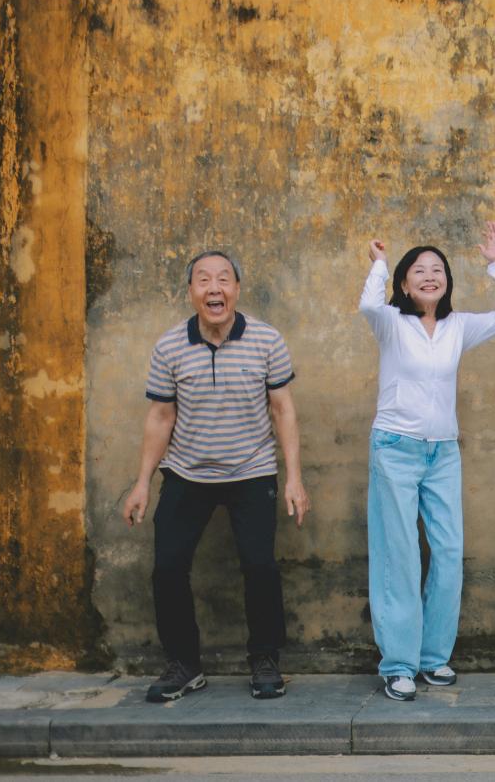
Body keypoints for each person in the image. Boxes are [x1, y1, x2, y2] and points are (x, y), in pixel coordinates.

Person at [122, 250, 309, 703]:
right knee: (168, 566)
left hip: (252, 470)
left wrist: (294, 478)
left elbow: (283, 409)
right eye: (203, 281)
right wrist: (143, 481)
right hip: (187, 472)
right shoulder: (170, 345)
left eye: (223, 280)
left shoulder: (266, 339)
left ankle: (265, 660)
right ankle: (184, 665)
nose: (214, 289)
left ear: (237, 289)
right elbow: (161, 416)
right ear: (191, 293)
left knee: (260, 566)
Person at [360, 223, 495, 701]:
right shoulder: (390, 320)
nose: (429, 276)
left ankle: (433, 658)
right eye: (418, 271)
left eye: (437, 270)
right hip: (394, 448)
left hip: (442, 452)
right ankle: (399, 664)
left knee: (448, 553)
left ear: (446, 280)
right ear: (405, 284)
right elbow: (368, 304)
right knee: (401, 555)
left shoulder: (457, 327)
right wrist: (380, 265)